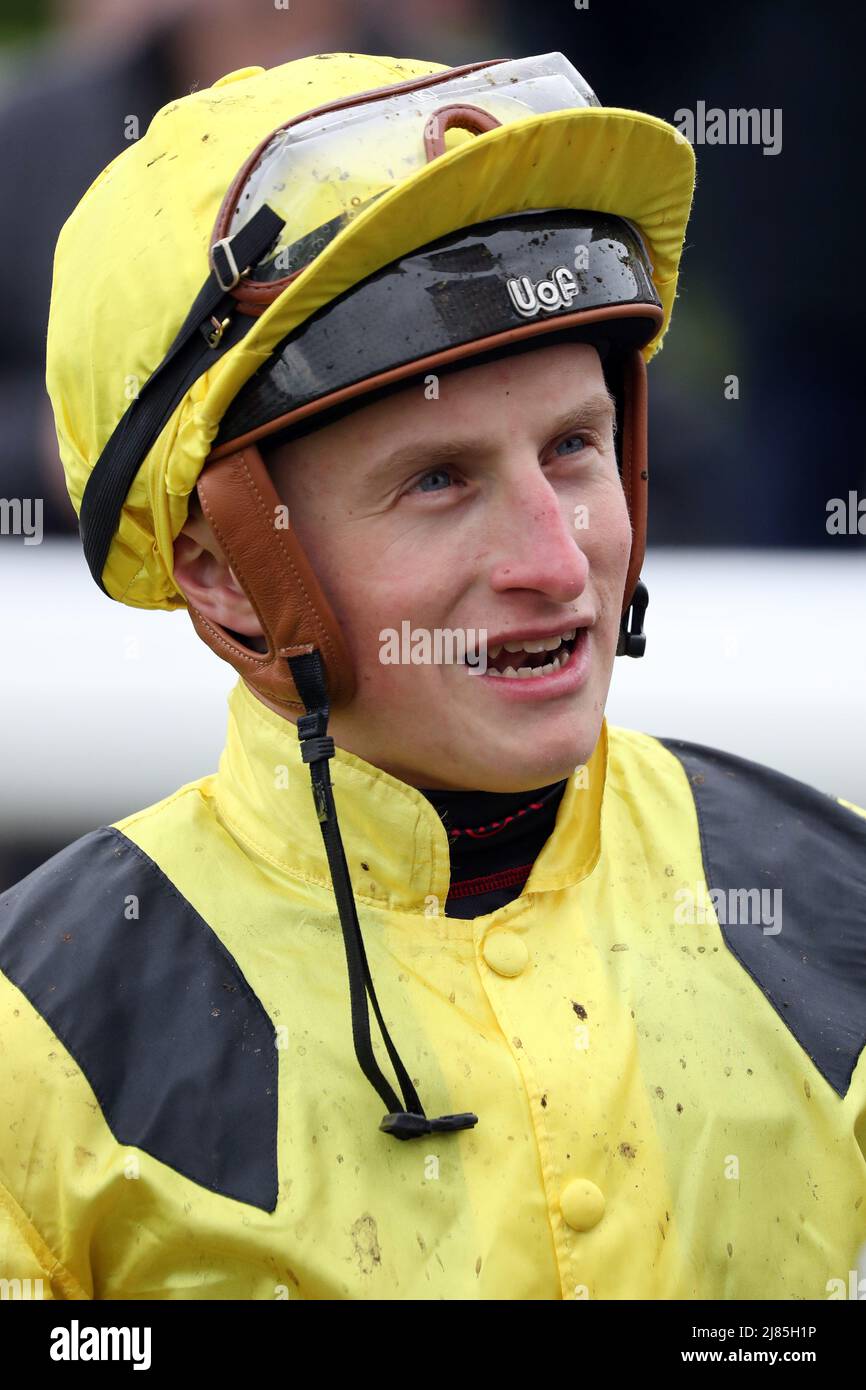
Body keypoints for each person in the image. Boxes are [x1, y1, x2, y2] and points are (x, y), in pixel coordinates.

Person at [0, 50, 863, 1302]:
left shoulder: (836, 902)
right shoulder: (36, 1034)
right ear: (224, 570)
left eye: (571, 447)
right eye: (438, 480)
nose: (553, 555)